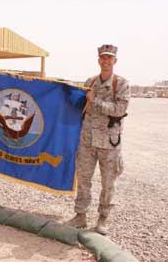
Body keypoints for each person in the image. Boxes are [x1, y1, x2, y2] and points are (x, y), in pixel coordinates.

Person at [65, 44, 130, 235]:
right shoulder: (90, 81)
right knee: (84, 179)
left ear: (115, 61)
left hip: (109, 144)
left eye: (109, 58)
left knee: (108, 182)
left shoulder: (122, 84)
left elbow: (120, 110)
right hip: (87, 141)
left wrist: (96, 101)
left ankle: (103, 220)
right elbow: (80, 105)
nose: (106, 61)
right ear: (98, 60)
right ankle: (80, 216)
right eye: (103, 57)